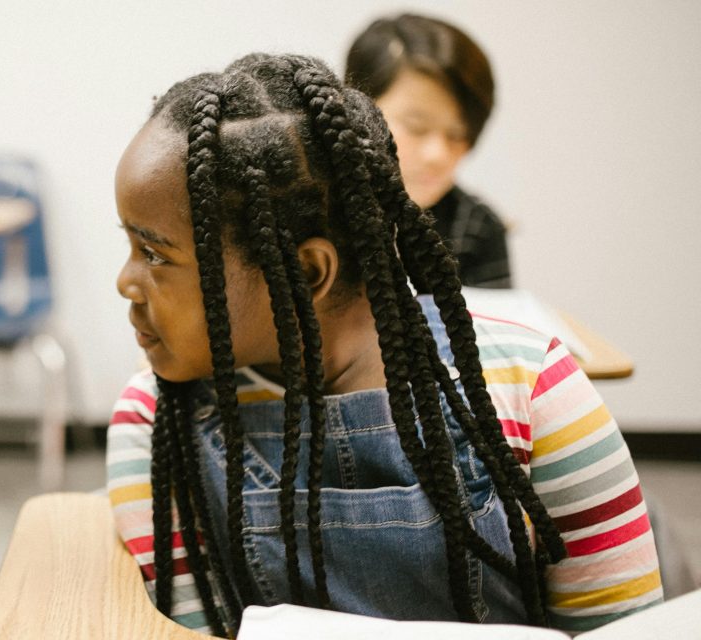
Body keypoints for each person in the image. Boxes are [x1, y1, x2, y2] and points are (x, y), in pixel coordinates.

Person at [106, 53, 661, 637]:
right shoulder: (154, 419)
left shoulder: (535, 391)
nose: (125, 282)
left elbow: (623, 630)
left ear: (307, 273)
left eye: (154, 254)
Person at [345, 14, 511, 288]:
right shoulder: (306, 204)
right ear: (355, 108)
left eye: (458, 135)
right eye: (416, 127)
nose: (438, 155)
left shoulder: (476, 229)